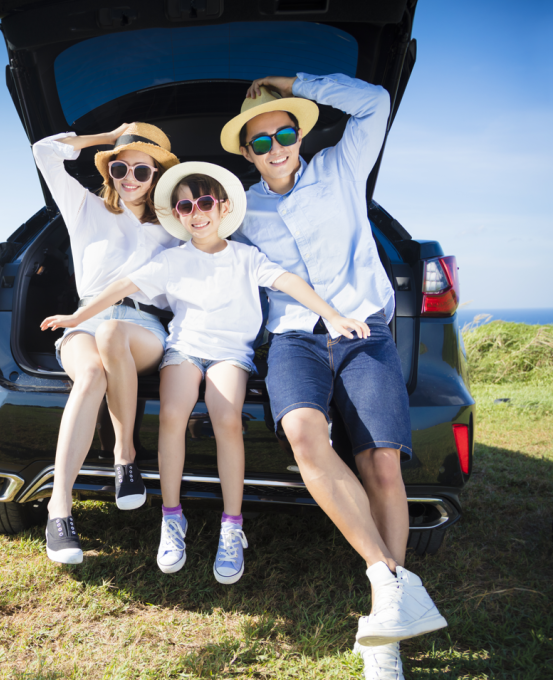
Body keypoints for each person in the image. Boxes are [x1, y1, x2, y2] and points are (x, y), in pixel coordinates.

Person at [221, 73, 447, 678]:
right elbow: (189, 237)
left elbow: (375, 102)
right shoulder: (238, 208)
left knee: (382, 462)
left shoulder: (342, 167)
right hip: (294, 336)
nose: (276, 148)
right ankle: (387, 577)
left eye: (285, 132)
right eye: (261, 142)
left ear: (300, 132)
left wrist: (299, 82)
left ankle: (385, 637)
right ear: (245, 152)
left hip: (364, 330)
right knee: (300, 430)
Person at [41, 162, 369, 579]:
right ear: (176, 215)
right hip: (184, 350)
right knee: (172, 418)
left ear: (223, 206)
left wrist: (333, 315)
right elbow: (120, 288)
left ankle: (232, 526)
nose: (196, 212)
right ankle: (172, 518)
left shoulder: (247, 257)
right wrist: (78, 316)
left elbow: (289, 282)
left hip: (231, 354)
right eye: (184, 205)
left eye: (205, 202)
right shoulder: (172, 259)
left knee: (227, 419)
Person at [32, 123, 181, 565]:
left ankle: (124, 453)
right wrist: (110, 136)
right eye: (120, 167)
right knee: (91, 372)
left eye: (141, 169)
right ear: (109, 171)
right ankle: (59, 508)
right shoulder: (85, 207)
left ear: (157, 176)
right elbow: (44, 151)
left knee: (114, 334)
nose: (129, 177)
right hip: (86, 322)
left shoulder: (175, 225)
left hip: (145, 329)